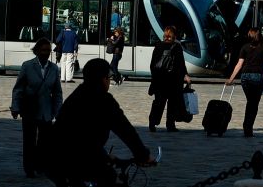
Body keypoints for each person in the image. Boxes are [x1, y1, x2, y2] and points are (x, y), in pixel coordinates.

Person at [52, 58, 155, 187]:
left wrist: (103, 156)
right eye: (109, 77)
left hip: (57, 159)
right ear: (103, 79)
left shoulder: (77, 95)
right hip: (76, 160)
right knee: (110, 178)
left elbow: (79, 135)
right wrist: (143, 155)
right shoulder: (104, 100)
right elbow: (126, 130)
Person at [11, 37, 63, 179]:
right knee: (29, 140)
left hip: (46, 110)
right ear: (37, 51)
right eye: (43, 50)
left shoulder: (53, 68)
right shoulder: (27, 66)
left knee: (44, 142)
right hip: (30, 108)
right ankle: (29, 168)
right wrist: (15, 106)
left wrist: (58, 112)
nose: (46, 53)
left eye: (48, 51)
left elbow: (57, 92)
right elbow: (19, 88)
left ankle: (40, 165)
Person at [225, 28, 263, 138]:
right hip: (258, 77)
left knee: (250, 102)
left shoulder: (244, 47)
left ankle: (247, 127)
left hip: (245, 77)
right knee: (253, 104)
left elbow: (239, 64)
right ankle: (248, 127)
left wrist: (231, 79)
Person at [147, 26, 191, 132]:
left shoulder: (158, 45)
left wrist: (155, 77)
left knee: (158, 103)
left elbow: (153, 64)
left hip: (160, 80)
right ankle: (170, 125)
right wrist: (186, 75)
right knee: (172, 103)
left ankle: (152, 123)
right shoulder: (177, 46)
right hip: (173, 80)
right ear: (174, 35)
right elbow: (181, 64)